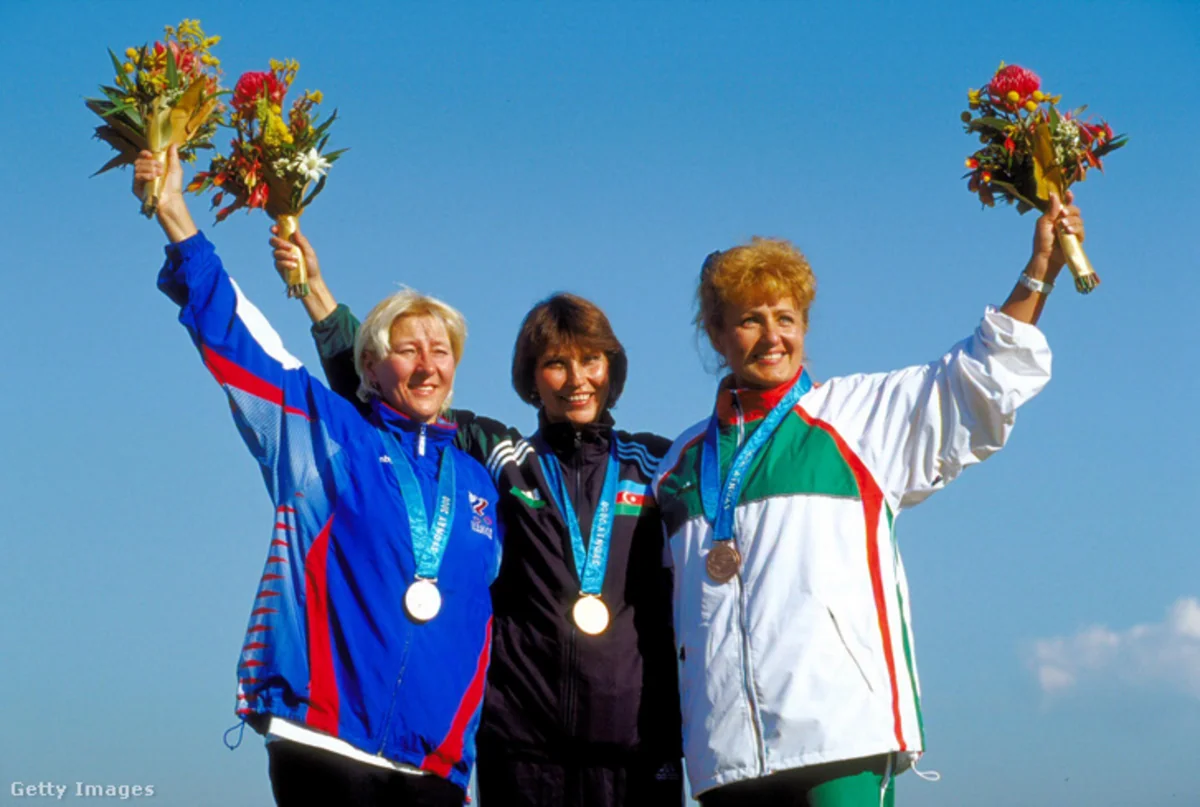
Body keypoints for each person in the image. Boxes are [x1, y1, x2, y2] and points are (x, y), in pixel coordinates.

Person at [652, 194, 1085, 805]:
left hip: (841, 738)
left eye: (786, 318)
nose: (772, 336)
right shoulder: (678, 465)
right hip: (725, 755)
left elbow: (978, 378)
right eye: (750, 319)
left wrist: (1038, 272)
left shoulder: (856, 417)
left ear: (804, 326)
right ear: (718, 334)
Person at [135, 146, 503, 807]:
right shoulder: (329, 436)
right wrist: (177, 218)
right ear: (369, 368)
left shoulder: (479, 485)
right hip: (322, 741)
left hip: (436, 768)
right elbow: (243, 343)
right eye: (407, 349)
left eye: (441, 351)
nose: (427, 365)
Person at [268, 231, 683, 806]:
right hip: (522, 745)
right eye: (556, 364)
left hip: (638, 743)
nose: (577, 379)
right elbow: (391, 392)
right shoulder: (499, 455)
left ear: (612, 368)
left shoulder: (658, 463)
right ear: (531, 378)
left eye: (591, 360)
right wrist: (317, 295)